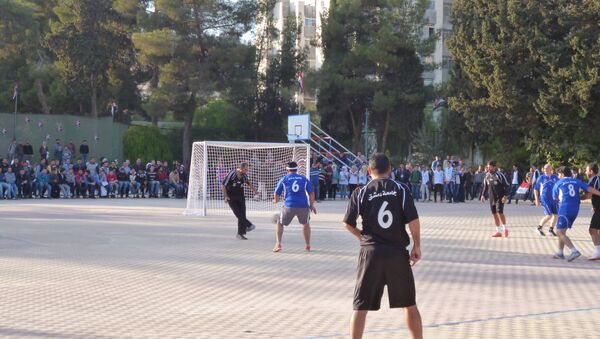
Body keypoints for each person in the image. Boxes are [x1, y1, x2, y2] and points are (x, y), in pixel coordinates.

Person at [343, 153, 422, 339]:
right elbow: (414, 220)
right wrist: (417, 245)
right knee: (409, 304)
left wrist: (362, 237)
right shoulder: (401, 189)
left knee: (360, 307)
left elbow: (347, 223)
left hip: (371, 253)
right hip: (397, 253)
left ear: (369, 171)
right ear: (390, 169)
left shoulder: (360, 192)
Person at [552, 166, 600, 261]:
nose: (558, 176)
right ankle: (560, 252)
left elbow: (555, 198)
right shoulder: (576, 181)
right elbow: (589, 189)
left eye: (558, 174)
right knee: (562, 231)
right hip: (575, 210)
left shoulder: (558, 183)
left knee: (559, 232)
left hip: (565, 208)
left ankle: (574, 251)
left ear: (561, 174)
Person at [272, 161, 317, 252]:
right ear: (297, 169)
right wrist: (312, 205)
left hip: (289, 205)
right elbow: (311, 193)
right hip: (303, 205)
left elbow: (276, 193)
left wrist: (275, 201)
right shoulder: (303, 178)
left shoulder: (284, 178)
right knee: (306, 224)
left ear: (287, 169)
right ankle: (307, 245)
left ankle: (278, 244)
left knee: (279, 223)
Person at [222, 162, 258, 240]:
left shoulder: (244, 175)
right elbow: (224, 185)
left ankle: (240, 234)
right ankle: (249, 225)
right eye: (245, 169)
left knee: (242, 214)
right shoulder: (232, 174)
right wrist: (225, 196)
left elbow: (249, 183)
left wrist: (255, 191)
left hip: (241, 197)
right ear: (240, 168)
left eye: (247, 169)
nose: (247, 171)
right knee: (238, 214)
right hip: (231, 197)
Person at [480, 160, 510, 237]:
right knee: (494, 214)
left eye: (489, 167)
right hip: (491, 198)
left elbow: (507, 185)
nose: (488, 168)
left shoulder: (499, 175)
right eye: (487, 167)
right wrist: (483, 195)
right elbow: (485, 187)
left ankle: (505, 228)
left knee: (500, 212)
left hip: (500, 197)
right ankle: (498, 231)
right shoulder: (487, 176)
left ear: (494, 167)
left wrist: (505, 196)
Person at [533, 164, 558, 237]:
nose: (545, 170)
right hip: (545, 199)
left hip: (554, 199)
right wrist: (537, 199)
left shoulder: (555, 177)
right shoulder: (541, 178)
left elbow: (559, 187)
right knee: (549, 215)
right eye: (544, 168)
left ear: (551, 169)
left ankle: (551, 230)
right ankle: (539, 228)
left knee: (556, 215)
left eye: (547, 168)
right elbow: (535, 189)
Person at [585, 163, 600, 260]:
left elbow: (589, 195)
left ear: (591, 171)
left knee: (592, 229)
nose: (585, 172)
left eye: (586, 170)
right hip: (597, 208)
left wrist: (575, 198)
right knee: (598, 231)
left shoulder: (594, 180)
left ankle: (598, 253)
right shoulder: (596, 179)